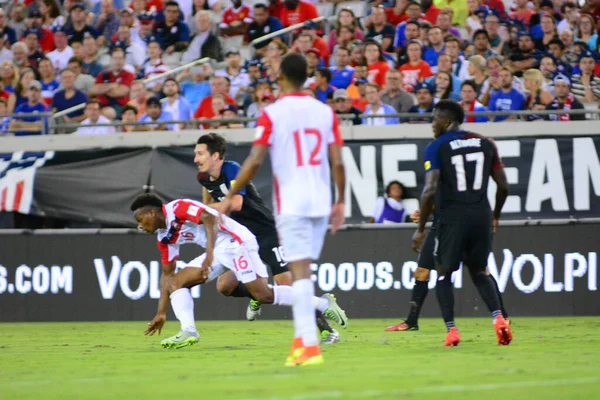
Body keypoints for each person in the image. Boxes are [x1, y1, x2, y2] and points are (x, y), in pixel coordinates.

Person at [221, 52, 347, 367]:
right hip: (320, 200)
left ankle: (308, 346)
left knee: (300, 274)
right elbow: (338, 161)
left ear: (280, 78)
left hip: (292, 201)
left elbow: (254, 161)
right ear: (308, 77)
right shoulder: (325, 112)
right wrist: (341, 200)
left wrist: (231, 193)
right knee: (302, 273)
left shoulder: (272, 113)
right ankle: (301, 343)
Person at [134, 193, 345, 349]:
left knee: (264, 295)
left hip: (237, 242)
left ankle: (323, 303)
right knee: (176, 282)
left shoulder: (178, 208)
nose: (140, 226)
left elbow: (209, 218)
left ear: (151, 212)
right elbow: (167, 274)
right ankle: (188, 330)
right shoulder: (164, 237)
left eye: (140, 220)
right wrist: (161, 312)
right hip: (217, 250)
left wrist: (208, 253)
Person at [194, 133, 342, 343]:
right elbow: (209, 207)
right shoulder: (202, 178)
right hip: (240, 238)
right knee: (224, 286)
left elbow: (235, 204)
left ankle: (327, 331)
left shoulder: (232, 169)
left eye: (200, 154)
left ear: (215, 155)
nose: (195, 159)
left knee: (287, 284)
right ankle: (256, 294)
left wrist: (199, 210)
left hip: (265, 233)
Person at [412, 99, 511, 346]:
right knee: (479, 270)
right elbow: (504, 186)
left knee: (444, 274)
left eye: (434, 119)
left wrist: (421, 228)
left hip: (451, 220)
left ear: (446, 121)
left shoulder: (437, 147)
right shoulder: (486, 143)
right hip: (481, 217)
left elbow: (430, 190)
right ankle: (499, 319)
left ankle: (452, 330)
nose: (432, 125)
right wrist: (496, 215)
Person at [90, 47, 135, 118]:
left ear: (124, 60)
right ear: (111, 59)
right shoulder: (102, 75)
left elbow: (121, 92)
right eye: (115, 58)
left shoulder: (128, 75)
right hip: (101, 105)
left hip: (120, 108)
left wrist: (103, 89)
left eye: (120, 58)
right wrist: (112, 85)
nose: (117, 61)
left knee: (104, 113)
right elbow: (94, 90)